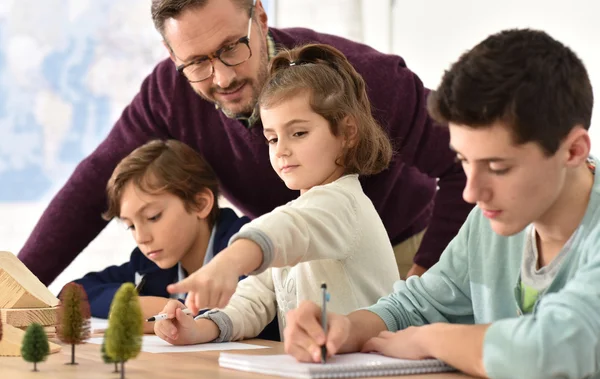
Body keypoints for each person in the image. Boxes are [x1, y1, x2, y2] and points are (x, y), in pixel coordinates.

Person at [19, 0, 473, 286]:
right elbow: (93, 183)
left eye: (232, 47)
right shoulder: (168, 92)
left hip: (399, 249)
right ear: (172, 57)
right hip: (283, 258)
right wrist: (14, 290)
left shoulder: (363, 78)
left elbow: (465, 163)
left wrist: (425, 277)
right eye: (195, 62)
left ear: (259, 16)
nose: (222, 76)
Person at [282, 29, 600, 379]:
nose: (471, 192)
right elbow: (415, 305)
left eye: (498, 167)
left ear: (573, 151)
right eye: (464, 160)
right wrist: (345, 327)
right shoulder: (490, 218)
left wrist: (428, 340)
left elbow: (553, 351)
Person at [152, 43, 400, 345]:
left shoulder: (342, 204)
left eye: (298, 133)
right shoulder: (302, 217)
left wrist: (229, 262)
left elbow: (287, 227)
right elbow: (253, 300)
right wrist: (199, 328)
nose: (281, 150)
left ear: (347, 132)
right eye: (271, 138)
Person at [67, 139, 278, 339]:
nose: (141, 237)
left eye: (153, 217)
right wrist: (138, 307)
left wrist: (172, 314)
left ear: (200, 204)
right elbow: (74, 292)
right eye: (131, 225)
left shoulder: (248, 246)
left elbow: (241, 309)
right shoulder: (149, 264)